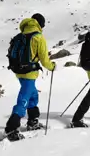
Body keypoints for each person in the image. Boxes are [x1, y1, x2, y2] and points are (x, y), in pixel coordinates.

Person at [4, 13, 56, 141]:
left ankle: (32, 121)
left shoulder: (21, 35)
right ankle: (12, 128)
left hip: (19, 71)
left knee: (33, 95)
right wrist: (52, 67)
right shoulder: (38, 37)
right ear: (40, 24)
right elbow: (44, 60)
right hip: (29, 72)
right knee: (24, 99)